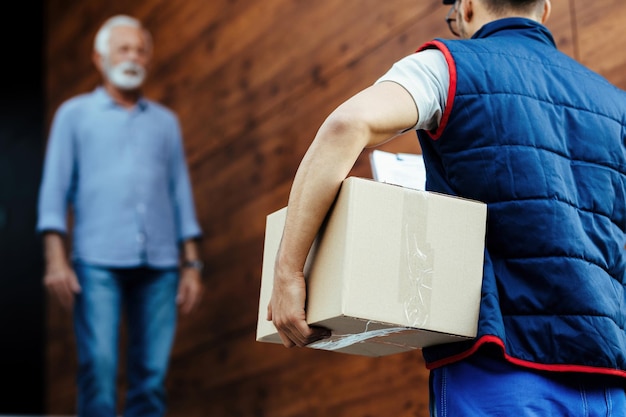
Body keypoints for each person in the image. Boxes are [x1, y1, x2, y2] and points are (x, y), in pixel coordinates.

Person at [267, 0, 626, 415]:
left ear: (468, 6)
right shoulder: (615, 104)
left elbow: (347, 125)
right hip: (610, 381)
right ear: (544, 10)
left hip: (501, 369)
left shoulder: (449, 67)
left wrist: (288, 271)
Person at [37, 14, 204, 417]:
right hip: (96, 263)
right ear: (100, 58)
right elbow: (54, 190)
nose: (134, 56)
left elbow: (180, 193)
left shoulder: (166, 123)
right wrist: (55, 258)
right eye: (124, 49)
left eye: (141, 50)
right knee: (99, 366)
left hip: (162, 264)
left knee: (151, 375)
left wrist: (192, 264)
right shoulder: (73, 115)